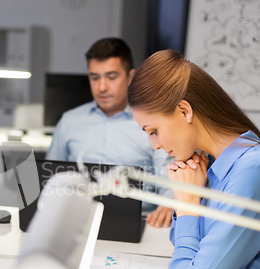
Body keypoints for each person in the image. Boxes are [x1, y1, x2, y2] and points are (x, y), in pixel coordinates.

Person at [128, 49, 260, 269]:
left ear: (184, 111)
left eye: (153, 130)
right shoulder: (211, 165)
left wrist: (188, 206)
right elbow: (186, 245)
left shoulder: (254, 172)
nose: (155, 145)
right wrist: (187, 202)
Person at [46, 37, 173, 227]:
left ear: (130, 77)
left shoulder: (150, 123)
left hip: (140, 220)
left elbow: (168, 180)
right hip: (77, 220)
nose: (102, 87)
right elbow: (50, 178)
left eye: (111, 77)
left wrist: (170, 204)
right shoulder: (69, 121)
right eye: (94, 77)